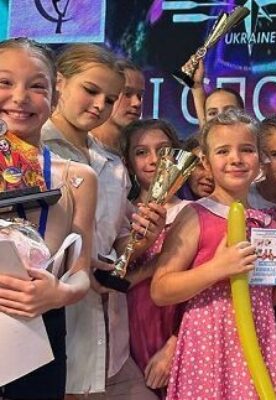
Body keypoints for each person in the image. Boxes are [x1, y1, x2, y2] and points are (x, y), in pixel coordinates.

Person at [150, 109, 276, 399]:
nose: (236, 159)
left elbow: (263, 296)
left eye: (246, 150)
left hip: (257, 338)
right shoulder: (195, 215)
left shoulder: (267, 221)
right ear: (206, 163)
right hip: (208, 341)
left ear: (260, 158)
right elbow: (160, 290)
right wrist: (218, 268)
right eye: (223, 151)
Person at [41, 43, 163, 399]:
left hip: (105, 332)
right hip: (48, 318)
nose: (99, 106)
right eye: (90, 90)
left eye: (110, 99)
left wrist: (143, 236)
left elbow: (117, 246)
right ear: (60, 82)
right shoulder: (33, 150)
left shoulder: (112, 164)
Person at [0, 37, 96, 400]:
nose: (20, 97)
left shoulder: (78, 178)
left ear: (54, 99)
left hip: (39, 337)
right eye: (4, 82)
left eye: (37, 86)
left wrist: (58, 293)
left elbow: (81, 272)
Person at [121, 119, 188, 398]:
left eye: (163, 151)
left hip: (177, 329)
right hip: (127, 331)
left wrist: (174, 345)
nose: (153, 160)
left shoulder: (193, 213)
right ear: (128, 163)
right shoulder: (120, 214)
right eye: (141, 152)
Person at [91, 59, 145, 155]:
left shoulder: (137, 154)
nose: (137, 103)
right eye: (127, 93)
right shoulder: (78, 148)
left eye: (140, 95)